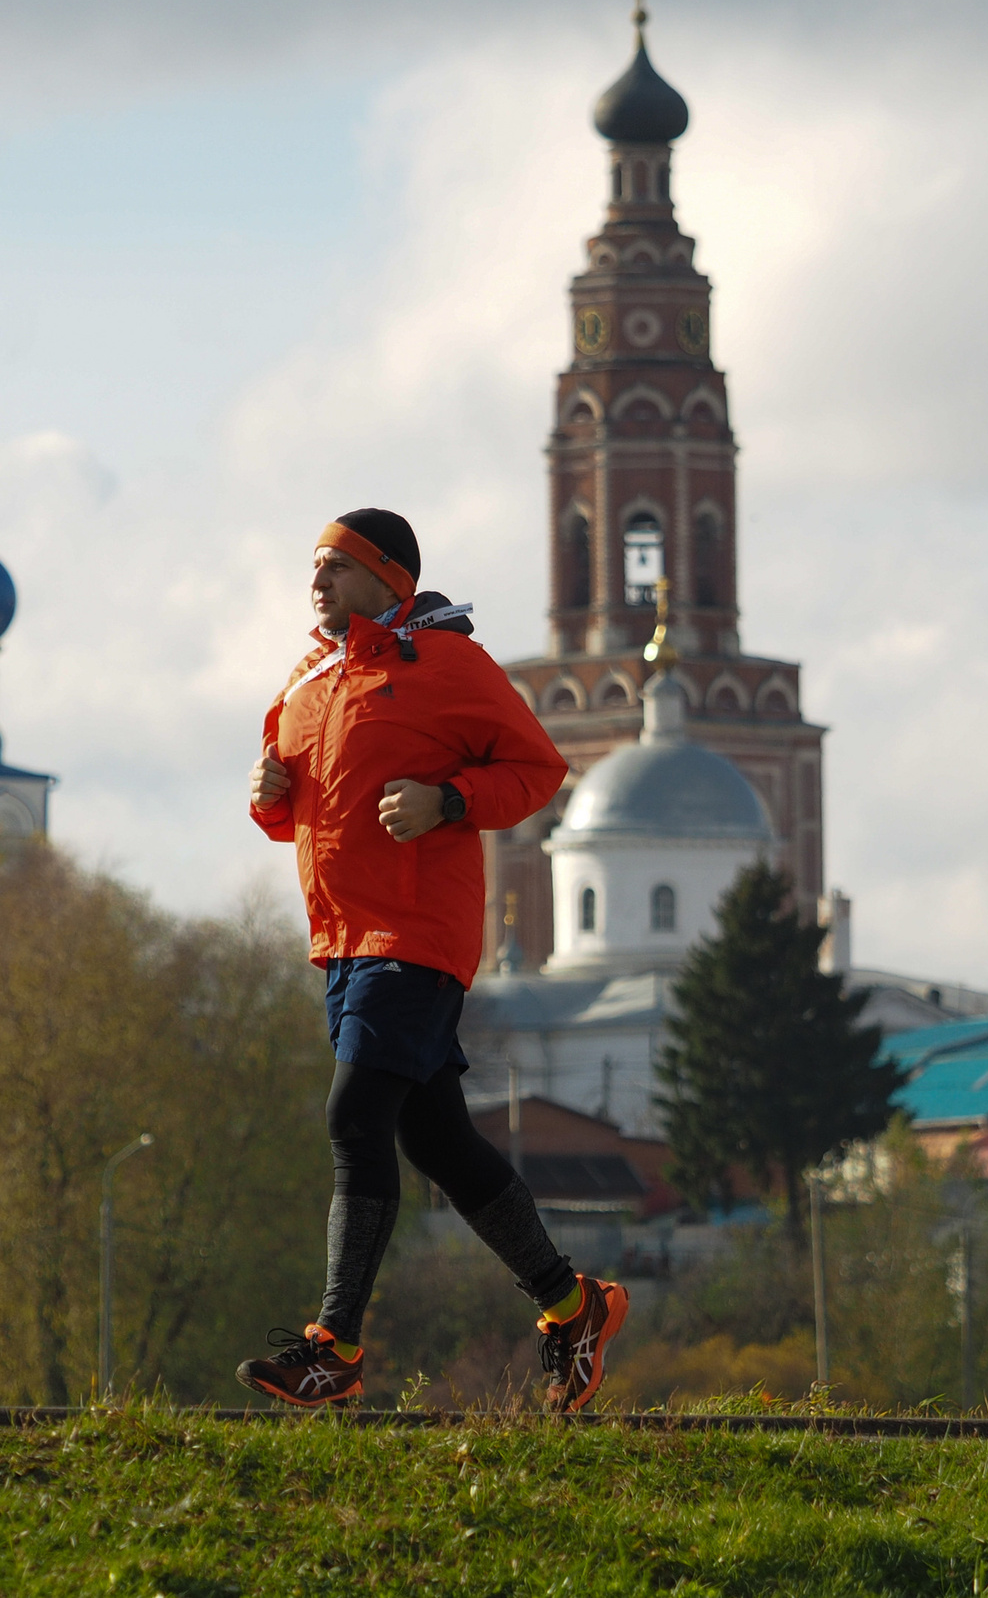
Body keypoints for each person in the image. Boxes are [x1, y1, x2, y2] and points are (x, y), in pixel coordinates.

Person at [238, 507, 627, 1411]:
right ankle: (574, 1307)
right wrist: (268, 796)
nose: (318, 581)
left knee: (355, 1113)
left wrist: (448, 798)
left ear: (391, 580)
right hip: (341, 944)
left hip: (414, 934)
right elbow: (298, 810)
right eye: (315, 565)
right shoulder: (309, 678)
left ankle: (332, 1345)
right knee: (436, 1138)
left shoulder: (447, 663)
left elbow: (536, 768)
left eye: (337, 565)